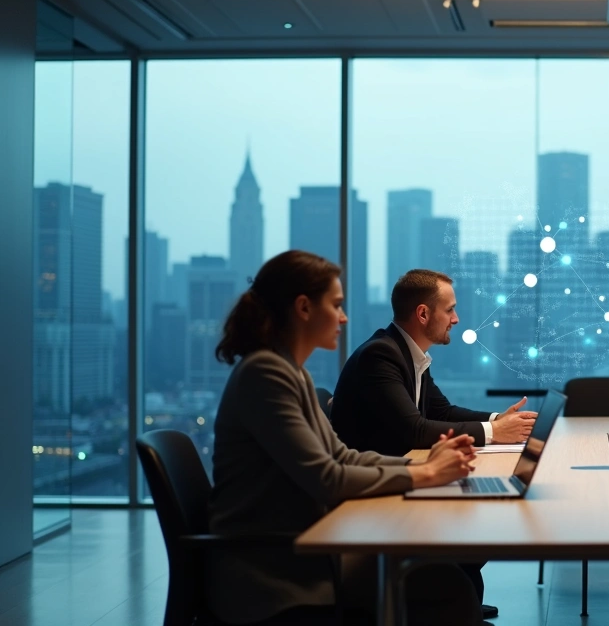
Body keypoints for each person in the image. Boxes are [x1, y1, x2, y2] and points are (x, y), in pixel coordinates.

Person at [207, 250, 482, 626]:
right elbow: (328, 478)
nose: (344, 317)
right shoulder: (266, 375)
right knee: (441, 585)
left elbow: (343, 456)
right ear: (304, 308)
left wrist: (421, 465)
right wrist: (424, 474)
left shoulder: (290, 373)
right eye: (335, 305)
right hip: (275, 571)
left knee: (442, 577)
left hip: (305, 545)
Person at [330, 268, 535, 618]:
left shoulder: (408, 354)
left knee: (478, 505)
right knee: (475, 508)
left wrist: (496, 421)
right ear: (423, 314)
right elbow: (414, 429)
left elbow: (443, 410)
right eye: (450, 310)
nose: (456, 319)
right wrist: (493, 434)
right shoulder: (380, 355)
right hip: (369, 502)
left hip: (390, 480)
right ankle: (455, 606)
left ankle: (462, 603)